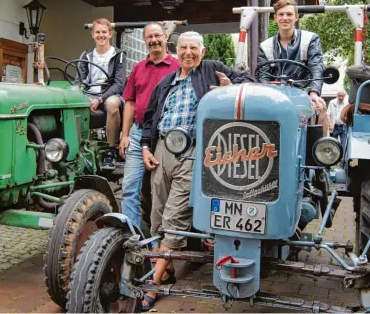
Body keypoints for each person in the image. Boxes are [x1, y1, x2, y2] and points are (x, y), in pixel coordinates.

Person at [139, 31, 255, 311]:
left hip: (194, 151)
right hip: (163, 149)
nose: (188, 52)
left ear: (202, 51)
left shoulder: (213, 69)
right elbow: (150, 118)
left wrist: (228, 89)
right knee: (156, 214)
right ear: (175, 51)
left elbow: (249, 81)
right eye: (183, 48)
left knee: (175, 215)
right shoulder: (166, 81)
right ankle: (165, 269)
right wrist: (145, 147)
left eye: (193, 47)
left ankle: (154, 283)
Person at [119, 22, 180, 230]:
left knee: (163, 190)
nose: (153, 40)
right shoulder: (138, 68)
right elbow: (130, 102)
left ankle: (164, 238)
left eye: (157, 35)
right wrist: (124, 134)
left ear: (165, 37)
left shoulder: (178, 66)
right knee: (129, 187)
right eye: (149, 37)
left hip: (166, 136)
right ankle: (132, 237)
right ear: (145, 41)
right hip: (137, 133)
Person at [257, 0, 329, 136]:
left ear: (296, 17)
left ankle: (321, 152)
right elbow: (263, 76)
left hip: (303, 93)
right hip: (275, 96)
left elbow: (316, 67)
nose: (285, 18)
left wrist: (314, 92)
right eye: (281, 14)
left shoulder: (310, 39)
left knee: (320, 108)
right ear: (275, 18)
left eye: (289, 14)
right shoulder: (265, 46)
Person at [76, 18, 126, 170]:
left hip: (109, 94)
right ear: (92, 34)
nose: (101, 35)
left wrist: (100, 99)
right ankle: (77, 149)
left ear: (110, 34)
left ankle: (110, 151)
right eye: (97, 32)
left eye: (104, 32)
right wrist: (78, 94)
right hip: (90, 94)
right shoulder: (86, 55)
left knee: (112, 103)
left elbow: (119, 83)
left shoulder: (119, 54)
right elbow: (80, 79)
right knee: (73, 104)